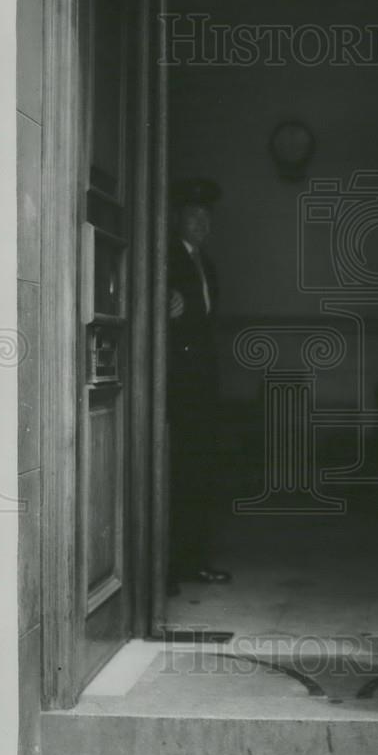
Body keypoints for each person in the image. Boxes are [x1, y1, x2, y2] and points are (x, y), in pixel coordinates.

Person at [167, 177, 231, 596]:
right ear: (179, 220)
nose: (201, 224)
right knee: (178, 474)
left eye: (206, 217)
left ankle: (194, 562)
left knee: (199, 474)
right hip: (177, 386)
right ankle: (171, 568)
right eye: (193, 216)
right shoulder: (168, 260)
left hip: (202, 387)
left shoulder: (204, 263)